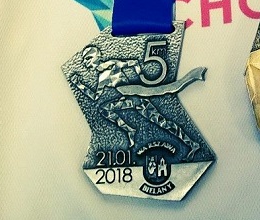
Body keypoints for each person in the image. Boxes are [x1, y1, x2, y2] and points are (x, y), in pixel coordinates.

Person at [67, 44, 204, 158]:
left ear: (97, 57)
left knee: (164, 118)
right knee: (105, 109)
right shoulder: (104, 75)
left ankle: (192, 144)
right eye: (84, 60)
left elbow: (134, 62)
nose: (85, 62)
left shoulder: (110, 68)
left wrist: (142, 76)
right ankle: (129, 130)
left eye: (88, 58)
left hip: (136, 96)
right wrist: (79, 85)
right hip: (129, 99)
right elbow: (95, 97)